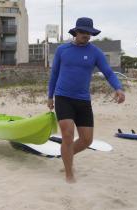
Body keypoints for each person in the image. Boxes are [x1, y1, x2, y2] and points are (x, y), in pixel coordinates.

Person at [47, 17, 125, 183]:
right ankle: (69, 173)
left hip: (83, 99)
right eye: (83, 32)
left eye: (89, 33)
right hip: (63, 97)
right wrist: (49, 96)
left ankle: (66, 154)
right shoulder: (62, 50)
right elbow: (54, 75)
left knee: (87, 139)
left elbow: (108, 72)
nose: (87, 36)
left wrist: (118, 88)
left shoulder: (95, 52)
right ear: (76, 32)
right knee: (67, 135)